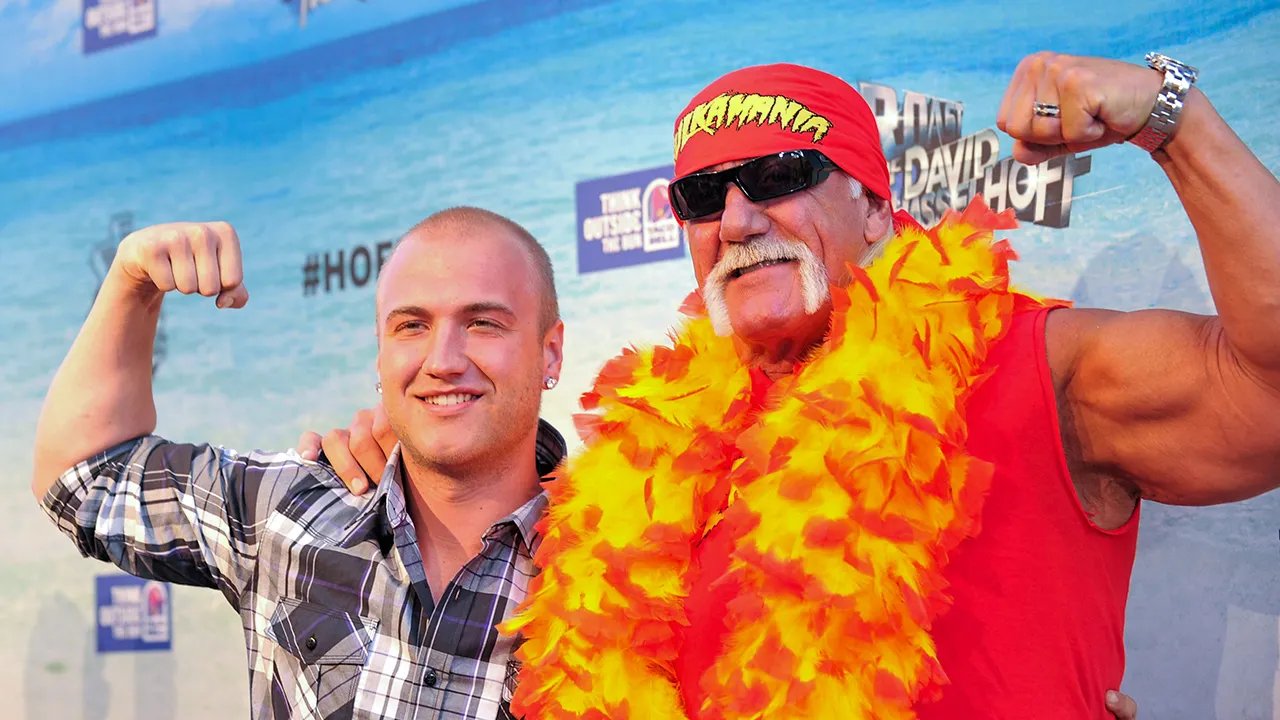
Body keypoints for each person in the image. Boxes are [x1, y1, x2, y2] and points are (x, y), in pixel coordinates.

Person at [313, 51, 1279, 719]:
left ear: (874, 208)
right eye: (702, 196)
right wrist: (401, 458)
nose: (737, 219)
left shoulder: (1031, 362)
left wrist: (1174, 120)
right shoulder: (638, 473)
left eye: (780, 174)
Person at [31, 207, 568, 719]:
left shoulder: (607, 568)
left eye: (483, 323)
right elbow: (83, 477)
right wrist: (132, 284)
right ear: (380, 353)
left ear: (551, 352)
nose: (443, 361)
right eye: (411, 327)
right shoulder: (289, 506)